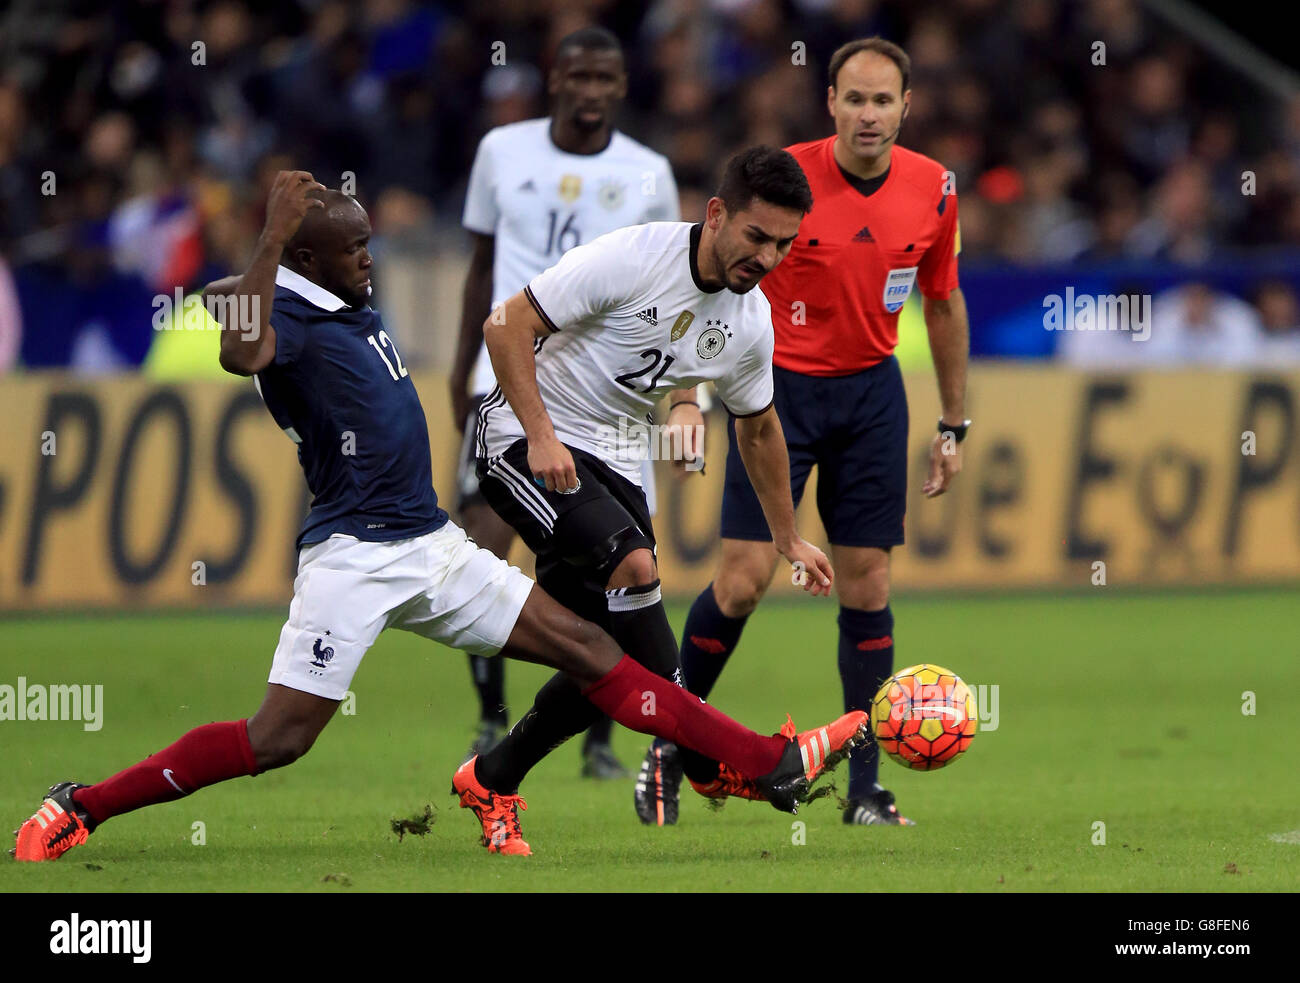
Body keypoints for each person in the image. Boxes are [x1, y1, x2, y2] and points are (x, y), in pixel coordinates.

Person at [12, 172, 865, 863]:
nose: (369, 261)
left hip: (429, 543)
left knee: (594, 649)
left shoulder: (344, 303)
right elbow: (239, 346)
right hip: (352, 554)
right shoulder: (285, 314)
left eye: (368, 245)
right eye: (353, 250)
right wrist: (269, 237)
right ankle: (81, 804)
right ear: (306, 255)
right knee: (278, 737)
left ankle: (755, 759)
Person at [458, 145, 852, 840]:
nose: (767, 257)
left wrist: (788, 536)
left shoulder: (751, 321)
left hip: (614, 459)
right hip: (521, 440)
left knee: (605, 656)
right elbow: (504, 324)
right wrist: (542, 434)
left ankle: (490, 779)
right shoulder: (633, 257)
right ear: (717, 214)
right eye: (756, 236)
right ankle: (733, 759)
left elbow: (759, 430)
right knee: (635, 566)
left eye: (784, 244)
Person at [636, 37, 969, 827]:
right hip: (774, 395)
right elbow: (711, 282)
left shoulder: (935, 189)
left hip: (873, 395)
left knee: (870, 585)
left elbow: (946, 301)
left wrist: (954, 420)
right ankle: (670, 744)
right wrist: (686, 391)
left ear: (905, 107)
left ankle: (864, 789)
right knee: (744, 579)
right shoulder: (783, 182)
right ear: (830, 102)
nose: (868, 114)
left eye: (883, 100)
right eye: (853, 98)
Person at [449, 26, 692, 777]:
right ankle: (490, 721)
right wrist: (463, 372)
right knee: (485, 547)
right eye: (578, 76)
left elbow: (677, 287)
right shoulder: (502, 152)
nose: (590, 90)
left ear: (620, 86)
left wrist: (683, 397)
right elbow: (482, 267)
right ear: (555, 78)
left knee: (618, 562)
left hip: (606, 396)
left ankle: (600, 740)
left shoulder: (649, 172)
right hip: (510, 374)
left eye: (604, 79)